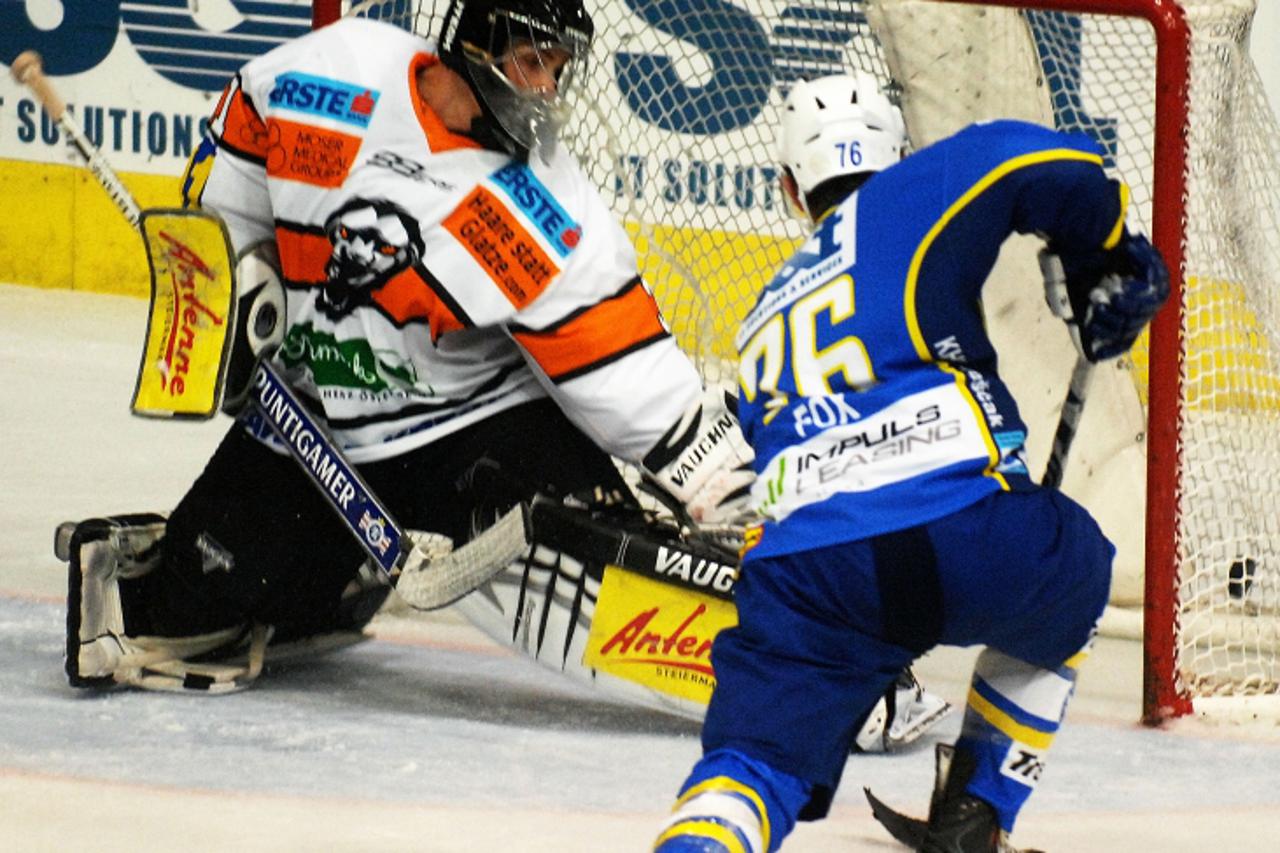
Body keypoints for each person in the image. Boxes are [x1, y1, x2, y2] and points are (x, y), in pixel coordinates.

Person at [58, 0, 950, 749]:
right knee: (148, 624)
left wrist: (754, 511)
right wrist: (238, 270)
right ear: (474, 41)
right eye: (532, 62)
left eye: (560, 68)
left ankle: (820, 670)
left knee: (606, 573)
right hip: (315, 430)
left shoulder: (542, 206)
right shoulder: (330, 75)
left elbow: (642, 391)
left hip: (476, 436)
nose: (547, 89)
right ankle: (322, 578)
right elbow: (234, 162)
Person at [653, 73, 1169, 853]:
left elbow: (754, 468)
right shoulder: (912, 190)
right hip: (970, 534)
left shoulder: (762, 316)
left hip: (812, 574)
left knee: (750, 764)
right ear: (901, 155)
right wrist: (1107, 250)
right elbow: (1042, 159)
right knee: (1075, 571)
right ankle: (978, 812)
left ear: (791, 188)